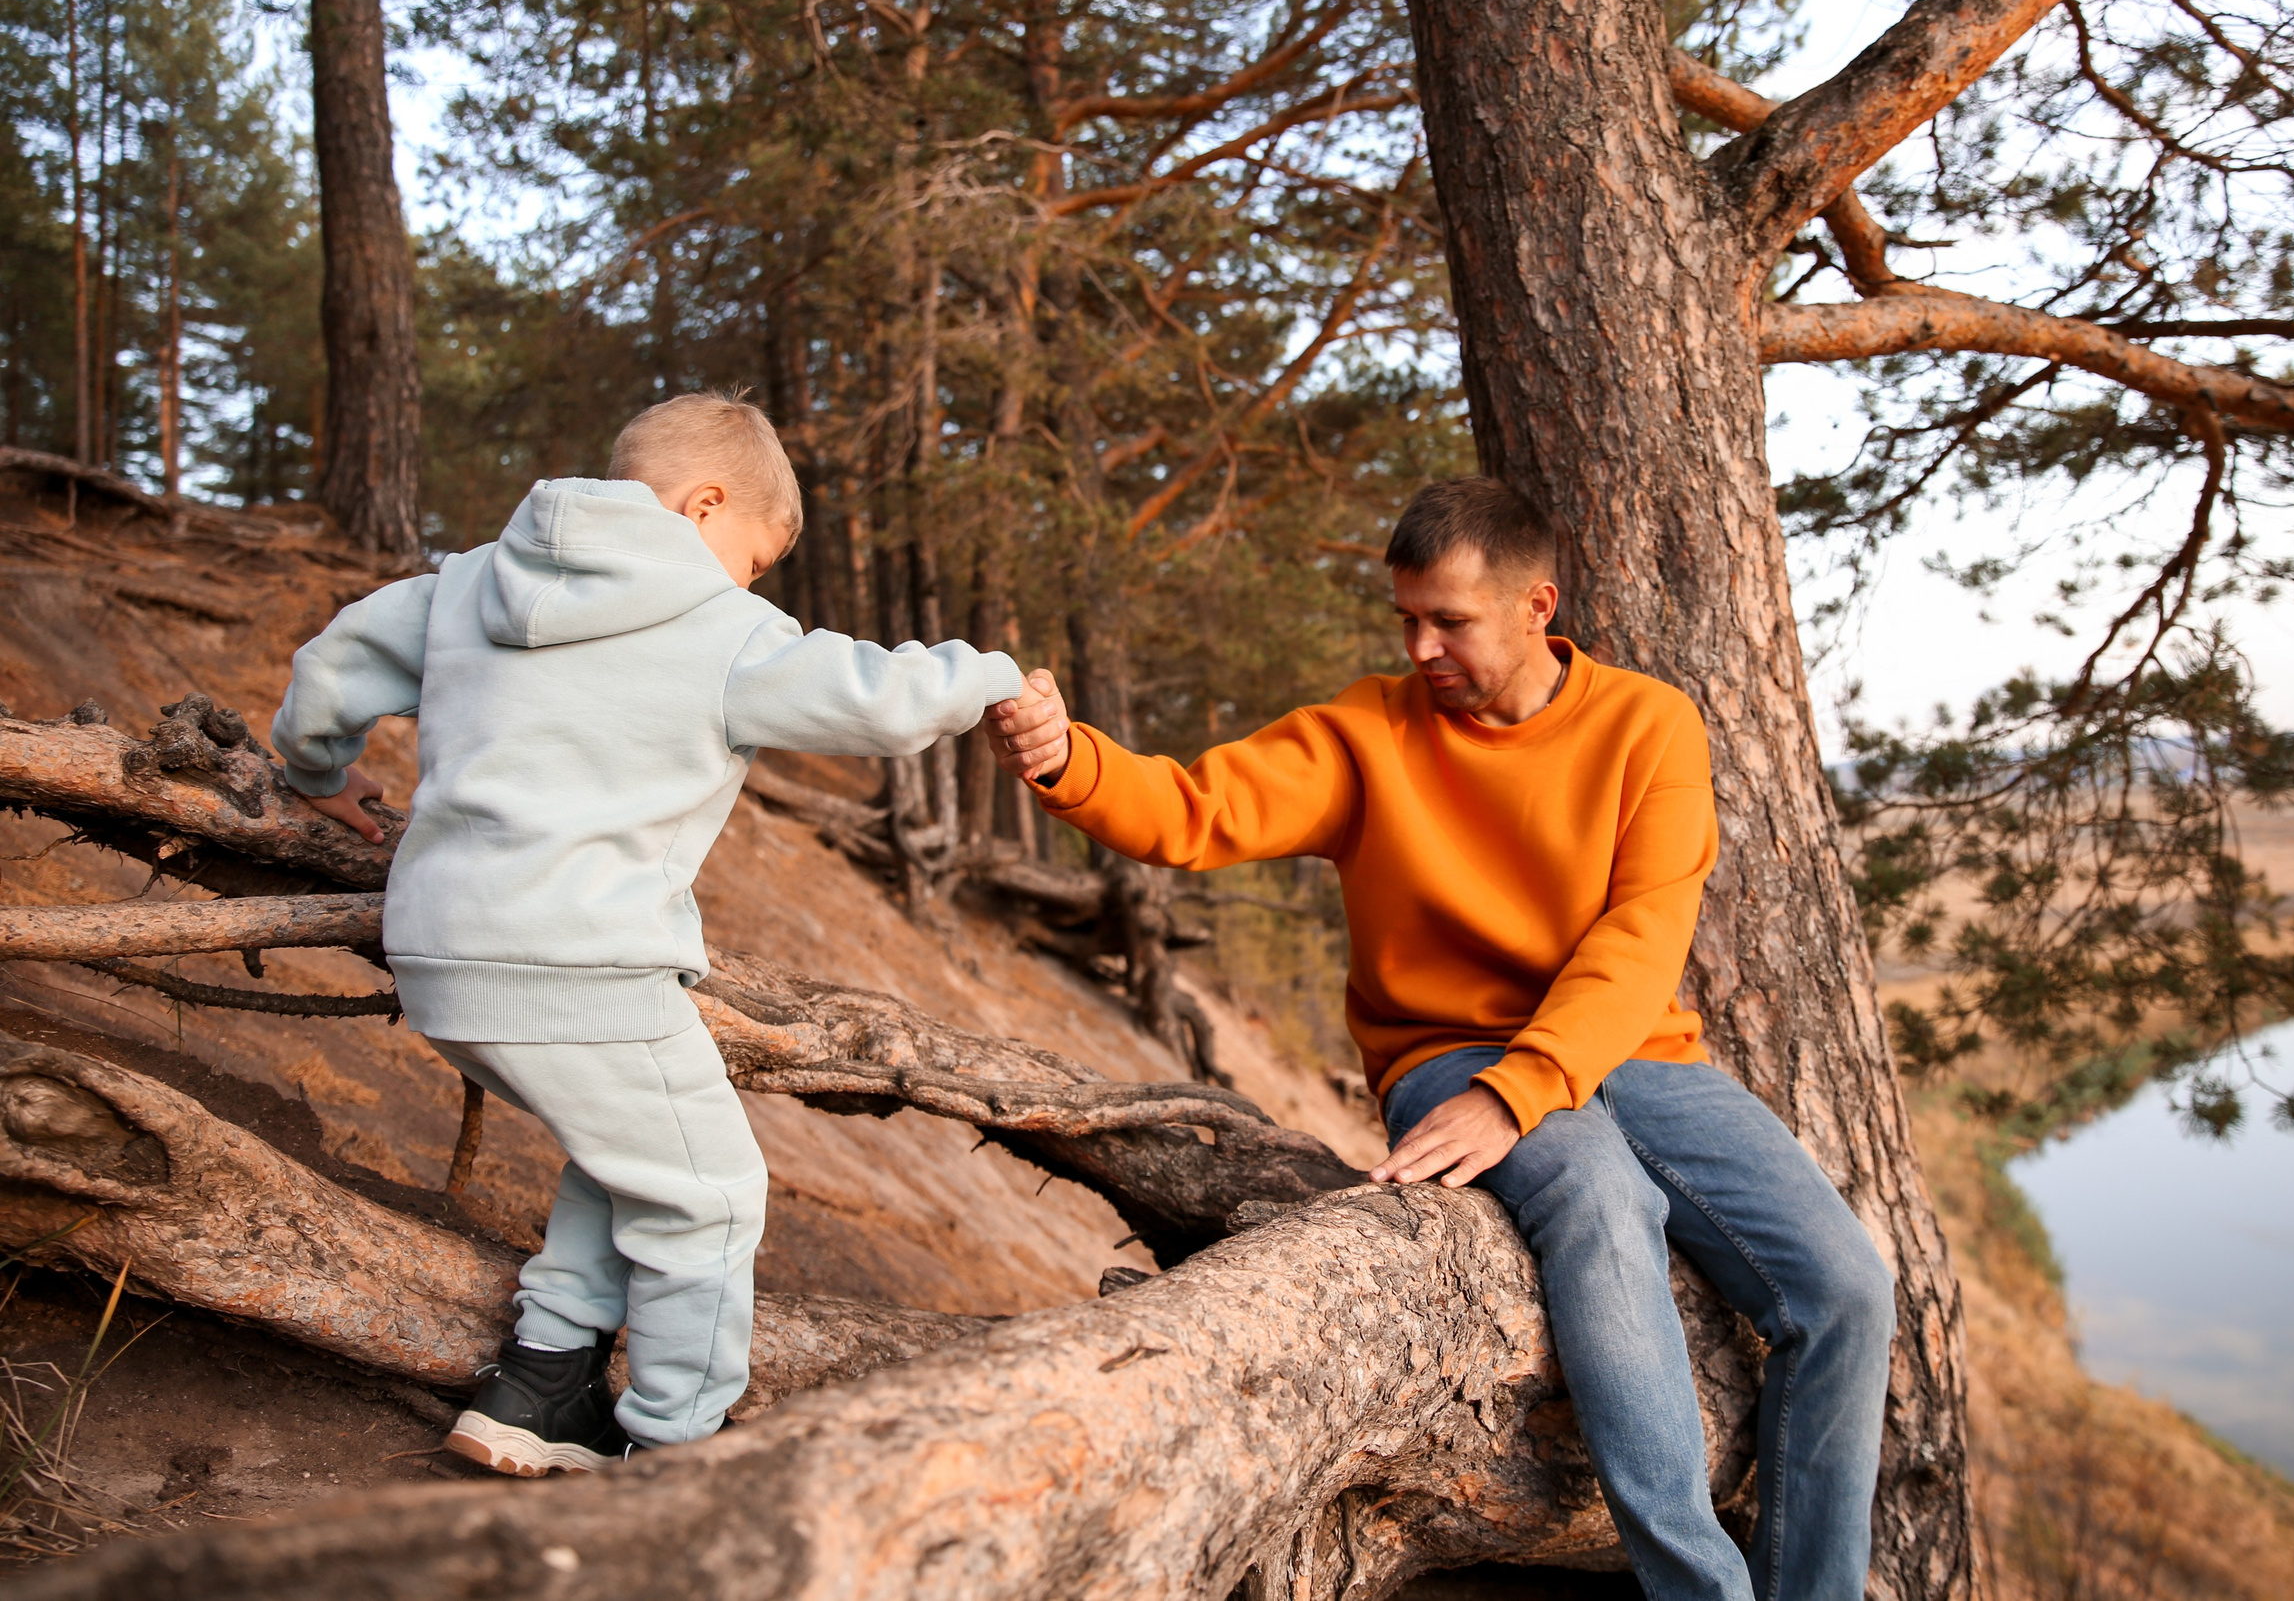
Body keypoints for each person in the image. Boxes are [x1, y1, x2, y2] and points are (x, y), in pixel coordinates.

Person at [988, 477, 1894, 1600]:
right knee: (1600, 1198)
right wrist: (1064, 757)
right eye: (1406, 619)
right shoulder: (1367, 734)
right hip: (1449, 1055)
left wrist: (1525, 1089)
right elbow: (1190, 809)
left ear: (1536, 606)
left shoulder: (1648, 725)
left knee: (1848, 1291)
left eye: (1449, 621)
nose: (1421, 648)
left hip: (1629, 1048)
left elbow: (1644, 935)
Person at [274, 392, 1024, 1477]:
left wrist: (316, 770)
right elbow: (882, 700)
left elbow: (336, 663)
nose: (749, 585)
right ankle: (676, 1450)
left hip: (439, 955)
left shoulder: (467, 581)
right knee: (709, 1198)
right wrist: (995, 675)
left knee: (629, 1153)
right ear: (703, 504)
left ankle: (541, 1384)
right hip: (586, 970)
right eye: (754, 560)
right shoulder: (721, 629)